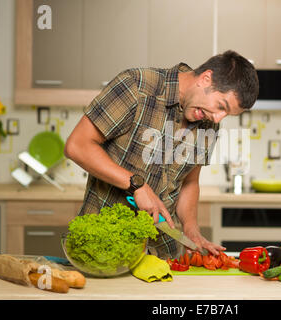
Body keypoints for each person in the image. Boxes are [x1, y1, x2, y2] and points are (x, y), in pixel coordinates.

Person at [64, 50, 259, 259]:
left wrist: (191, 228)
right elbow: (77, 145)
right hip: (103, 250)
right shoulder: (136, 86)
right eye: (221, 106)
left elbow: (190, 182)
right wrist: (136, 185)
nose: (219, 119)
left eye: (226, 114)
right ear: (205, 79)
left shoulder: (209, 122)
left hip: (163, 254)